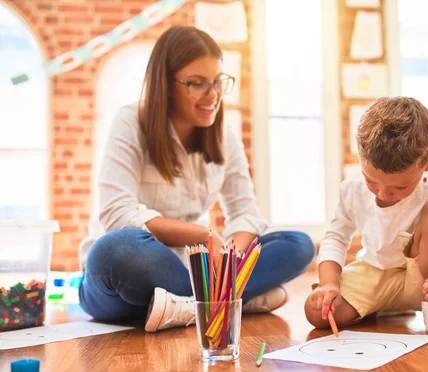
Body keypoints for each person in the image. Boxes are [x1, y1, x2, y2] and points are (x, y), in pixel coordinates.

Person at [78, 26, 315, 332]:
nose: (213, 95)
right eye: (197, 84)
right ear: (165, 85)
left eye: (218, 82)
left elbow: (245, 213)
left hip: (194, 272)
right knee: (116, 250)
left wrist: (229, 258)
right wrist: (203, 236)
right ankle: (232, 299)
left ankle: (189, 306)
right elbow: (116, 214)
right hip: (131, 276)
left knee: (298, 244)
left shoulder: (224, 133)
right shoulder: (130, 122)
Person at [305, 97, 428, 335]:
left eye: (401, 187)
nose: (384, 193)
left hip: (427, 282)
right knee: (317, 311)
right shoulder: (351, 188)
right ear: (360, 157)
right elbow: (336, 238)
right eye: (372, 181)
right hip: (375, 274)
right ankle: (385, 306)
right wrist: (329, 284)